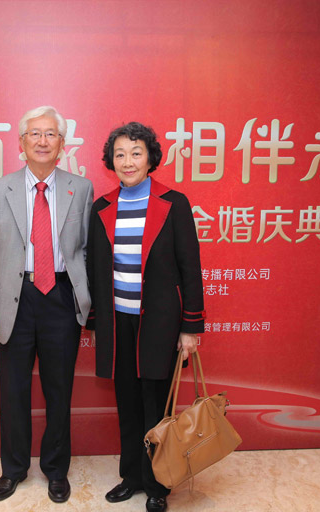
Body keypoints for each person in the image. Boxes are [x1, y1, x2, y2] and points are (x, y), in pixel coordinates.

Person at [0, 106, 93, 503]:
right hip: (15, 298)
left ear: (62, 144)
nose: (43, 141)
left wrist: (87, 298)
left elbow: (87, 250)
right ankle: (13, 470)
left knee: (60, 390)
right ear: (22, 142)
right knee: (14, 390)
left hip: (61, 297)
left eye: (51, 134)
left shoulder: (81, 188)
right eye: (35, 134)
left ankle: (56, 470)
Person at [85, 122, 205, 512]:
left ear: (151, 158)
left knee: (157, 407)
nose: (128, 161)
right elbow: (95, 269)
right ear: (111, 162)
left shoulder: (174, 203)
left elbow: (190, 268)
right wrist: (95, 321)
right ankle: (132, 477)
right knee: (128, 404)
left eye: (136, 153)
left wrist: (190, 326)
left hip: (160, 323)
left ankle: (157, 484)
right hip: (119, 323)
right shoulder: (102, 207)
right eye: (119, 154)